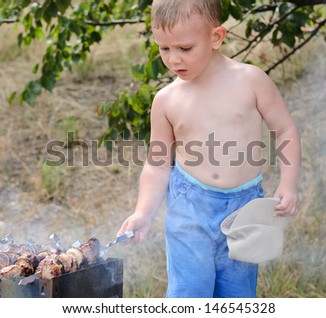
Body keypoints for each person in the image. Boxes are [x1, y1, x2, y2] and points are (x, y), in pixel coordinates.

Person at [117, 0, 301, 298]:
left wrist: (288, 184)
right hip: (190, 206)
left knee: (237, 295)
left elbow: (285, 130)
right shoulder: (166, 100)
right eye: (164, 49)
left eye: (185, 48)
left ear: (216, 37)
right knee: (190, 293)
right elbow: (158, 164)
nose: (173, 59)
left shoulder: (250, 80)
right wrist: (144, 212)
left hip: (244, 207)